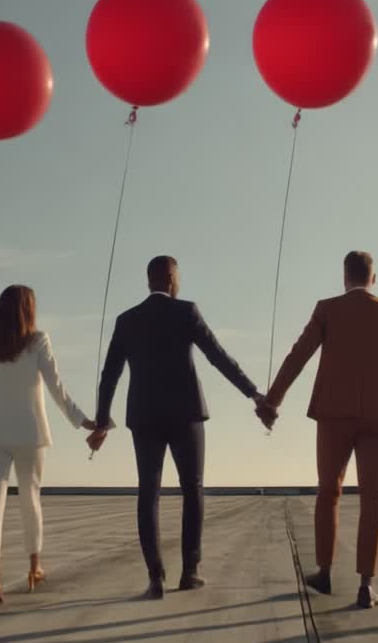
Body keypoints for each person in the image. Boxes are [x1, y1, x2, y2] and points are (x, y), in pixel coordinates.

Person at [257, 251, 378, 609]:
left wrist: (272, 402)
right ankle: (366, 586)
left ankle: (325, 572)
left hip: (333, 414)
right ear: (373, 279)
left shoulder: (327, 310)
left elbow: (297, 355)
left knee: (328, 492)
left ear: (344, 277)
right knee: (373, 496)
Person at [90, 256, 266, 599]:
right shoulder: (186, 312)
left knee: (148, 493)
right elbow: (218, 357)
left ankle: (155, 577)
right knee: (193, 490)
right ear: (172, 278)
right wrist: (253, 393)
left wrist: (101, 423)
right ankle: (190, 571)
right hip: (186, 414)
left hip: (144, 416)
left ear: (149, 280)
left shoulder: (127, 320)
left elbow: (109, 376)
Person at [0, 285, 97, 606]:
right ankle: (34, 568)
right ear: (29, 310)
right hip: (31, 434)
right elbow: (57, 389)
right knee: (30, 499)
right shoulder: (38, 342)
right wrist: (83, 422)